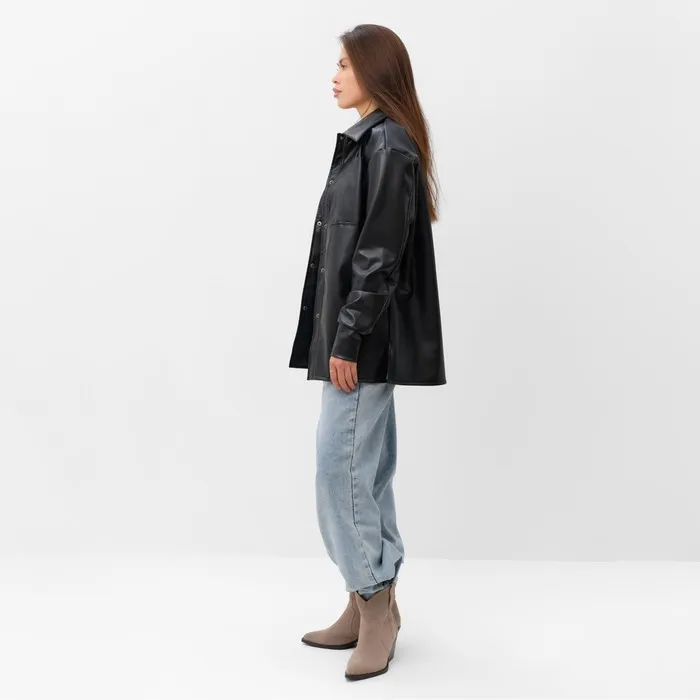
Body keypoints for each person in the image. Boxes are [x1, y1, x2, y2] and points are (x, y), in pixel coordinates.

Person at [289, 23, 447, 681]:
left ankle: (376, 604)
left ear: (374, 72)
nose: (334, 76)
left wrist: (349, 337)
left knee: (341, 472)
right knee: (365, 473)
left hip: (364, 342)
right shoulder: (371, 141)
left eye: (346, 66)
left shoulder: (387, 146)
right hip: (353, 337)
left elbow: (379, 256)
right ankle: (364, 602)